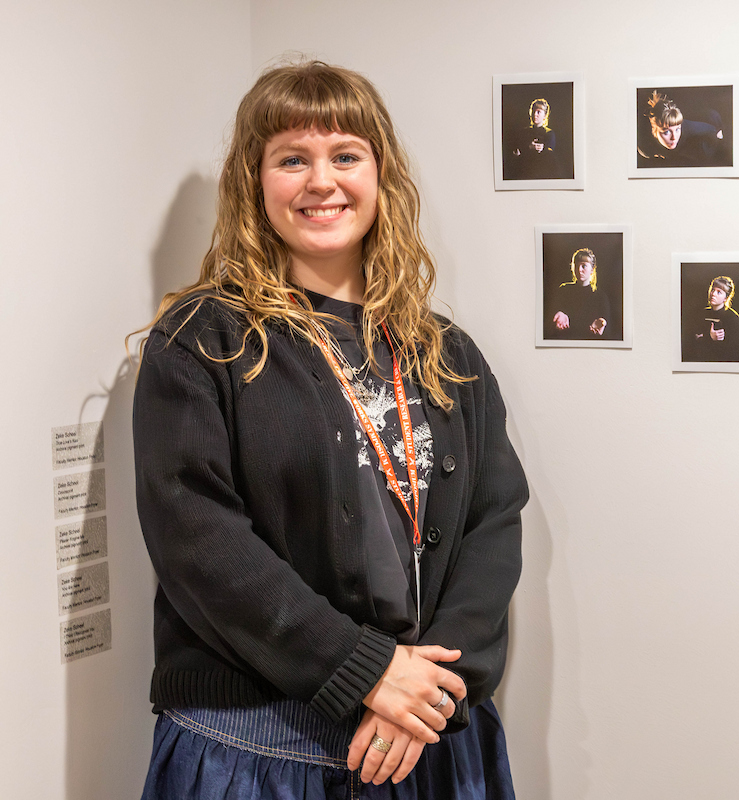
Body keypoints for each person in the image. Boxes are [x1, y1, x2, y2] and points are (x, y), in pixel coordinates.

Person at [132, 60, 528, 799]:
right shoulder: (200, 343)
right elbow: (198, 540)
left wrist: (435, 689)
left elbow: (492, 521)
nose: (322, 182)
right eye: (292, 159)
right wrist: (366, 669)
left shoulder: (446, 352)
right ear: (254, 182)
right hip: (257, 754)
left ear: (382, 177)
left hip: (425, 740)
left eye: (346, 155)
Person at [637, 89, 728, 167]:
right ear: (654, 131)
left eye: (677, 129)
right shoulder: (645, 148)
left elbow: (709, 128)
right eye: (666, 132)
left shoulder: (686, 127)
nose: (674, 137)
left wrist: (717, 132)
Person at [545, 248, 612, 339]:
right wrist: (558, 313)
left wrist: (602, 323)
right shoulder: (563, 290)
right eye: (576, 266)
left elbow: (606, 328)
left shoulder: (600, 297)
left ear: (592, 269)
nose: (579, 270)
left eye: (583, 266)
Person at [682, 275, 739, 361]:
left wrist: (705, 338)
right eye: (713, 290)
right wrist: (709, 337)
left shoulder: (732, 317)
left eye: (719, 292)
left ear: (725, 298)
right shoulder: (701, 313)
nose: (713, 294)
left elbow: (734, 350)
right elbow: (690, 340)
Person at [509, 97, 558, 179]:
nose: (535, 114)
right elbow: (516, 151)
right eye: (534, 111)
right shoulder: (524, 132)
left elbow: (551, 154)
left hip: (543, 172)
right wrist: (528, 147)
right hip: (525, 172)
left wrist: (543, 148)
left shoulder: (549, 133)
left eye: (539, 112)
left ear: (545, 115)